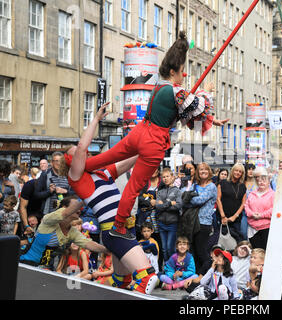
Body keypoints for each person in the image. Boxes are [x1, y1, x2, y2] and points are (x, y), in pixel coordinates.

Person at [81, 31, 229, 239]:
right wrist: (207, 92)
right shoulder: (177, 91)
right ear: (172, 70)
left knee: (106, 157)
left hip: (140, 131)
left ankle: (81, 168)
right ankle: (119, 227)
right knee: (133, 187)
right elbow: (198, 106)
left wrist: (212, 120)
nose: (183, 75)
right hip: (154, 141)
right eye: (181, 71)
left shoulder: (159, 86)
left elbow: (185, 115)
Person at [64, 103, 158, 295]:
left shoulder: (103, 172)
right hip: (115, 231)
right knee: (149, 277)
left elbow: (133, 157)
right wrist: (96, 120)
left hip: (124, 228)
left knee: (122, 282)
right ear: (71, 162)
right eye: (79, 155)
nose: (86, 153)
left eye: (88, 153)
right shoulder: (77, 178)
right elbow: (82, 147)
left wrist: (153, 139)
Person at [19, 196, 108, 270]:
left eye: (79, 206)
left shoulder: (72, 232)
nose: (80, 208)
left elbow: (89, 244)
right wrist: (87, 198)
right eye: (75, 205)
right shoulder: (49, 220)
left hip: (43, 268)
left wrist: (109, 250)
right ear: (64, 208)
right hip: (24, 262)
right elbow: (64, 214)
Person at [188, 162, 217, 272]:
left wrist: (189, 198)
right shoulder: (194, 185)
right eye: (200, 169)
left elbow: (199, 200)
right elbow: (183, 198)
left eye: (205, 169)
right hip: (192, 222)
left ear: (209, 171)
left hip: (204, 223)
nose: (203, 171)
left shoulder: (212, 186)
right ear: (197, 172)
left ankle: (208, 274)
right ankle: (198, 277)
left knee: (202, 251)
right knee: (194, 251)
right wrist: (189, 198)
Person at [245, 167, 275, 251]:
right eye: (259, 180)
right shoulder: (252, 194)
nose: (261, 182)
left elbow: (273, 209)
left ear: (269, 182)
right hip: (252, 229)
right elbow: (246, 206)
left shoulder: (273, 194)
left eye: (264, 180)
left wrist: (261, 215)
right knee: (256, 251)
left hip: (266, 228)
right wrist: (252, 214)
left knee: (265, 252)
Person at [156, 168, 182, 262]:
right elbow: (157, 207)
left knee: (170, 248)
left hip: (172, 223)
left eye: (167, 176)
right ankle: (167, 267)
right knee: (164, 249)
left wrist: (163, 204)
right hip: (162, 223)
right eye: (163, 177)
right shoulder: (160, 192)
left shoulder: (177, 191)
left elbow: (179, 205)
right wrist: (170, 203)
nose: (165, 178)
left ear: (172, 177)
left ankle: (173, 266)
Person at [216, 163, 247, 244]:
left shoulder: (243, 186)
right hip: (222, 218)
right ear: (232, 171)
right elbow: (218, 199)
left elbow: (243, 203)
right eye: (236, 170)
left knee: (235, 242)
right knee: (221, 241)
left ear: (242, 174)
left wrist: (234, 216)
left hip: (236, 219)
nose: (238, 173)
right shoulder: (222, 183)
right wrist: (223, 216)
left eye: (240, 171)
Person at [19, 167, 43, 234]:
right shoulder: (29, 185)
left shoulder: (50, 186)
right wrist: (26, 225)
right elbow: (22, 207)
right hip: (29, 214)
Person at [242, 163, 256, 240]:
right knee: (243, 232)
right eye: (249, 169)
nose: (251, 171)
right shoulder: (241, 183)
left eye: (252, 169)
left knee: (253, 235)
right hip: (243, 212)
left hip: (255, 213)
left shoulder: (258, 183)